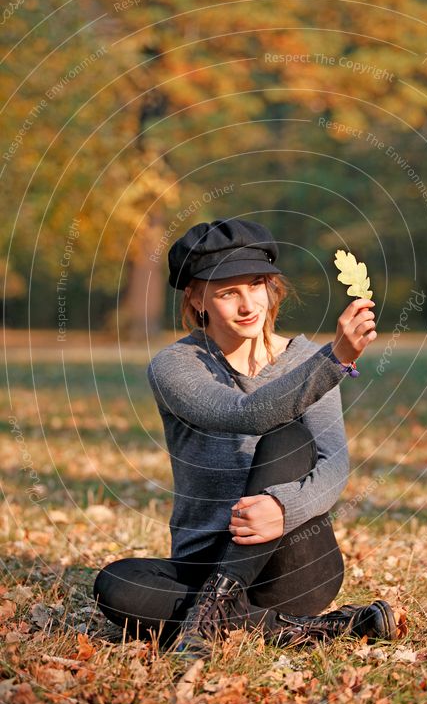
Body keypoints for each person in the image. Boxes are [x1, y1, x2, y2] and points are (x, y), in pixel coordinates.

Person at [93, 217, 397, 659]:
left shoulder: (306, 359)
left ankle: (209, 617)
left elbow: (334, 463)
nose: (247, 303)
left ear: (271, 286)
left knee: (289, 438)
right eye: (227, 292)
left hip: (294, 559)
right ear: (197, 298)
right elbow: (246, 414)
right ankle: (306, 627)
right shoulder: (176, 366)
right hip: (205, 561)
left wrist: (282, 508)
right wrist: (336, 359)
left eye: (255, 284)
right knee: (115, 585)